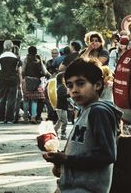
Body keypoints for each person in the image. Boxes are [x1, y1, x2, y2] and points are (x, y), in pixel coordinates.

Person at [43, 58, 122, 193]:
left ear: (97, 85)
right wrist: (61, 161)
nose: (74, 90)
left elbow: (107, 154)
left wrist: (67, 159)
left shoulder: (99, 112)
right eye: (70, 85)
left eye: (80, 84)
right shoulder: (86, 111)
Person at [22, 46, 50, 124]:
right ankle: (33, 117)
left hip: (27, 80)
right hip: (36, 81)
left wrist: (23, 78)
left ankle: (25, 117)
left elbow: (23, 70)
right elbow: (44, 72)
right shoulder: (39, 60)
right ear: (36, 52)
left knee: (26, 99)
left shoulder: (26, 60)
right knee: (34, 100)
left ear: (28, 51)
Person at [0, 40, 22, 123]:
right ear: (12, 47)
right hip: (13, 79)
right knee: (12, 99)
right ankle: (10, 119)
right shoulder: (16, 58)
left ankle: (1, 118)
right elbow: (19, 71)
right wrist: (20, 82)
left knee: (2, 99)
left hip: (3, 79)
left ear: (4, 47)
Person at [54, 72, 69, 140]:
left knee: (60, 120)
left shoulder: (61, 86)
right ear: (62, 79)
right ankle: (63, 134)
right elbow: (61, 96)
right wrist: (69, 95)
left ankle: (54, 131)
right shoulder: (62, 87)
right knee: (64, 121)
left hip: (61, 107)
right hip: (61, 107)